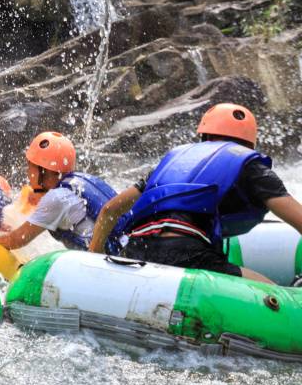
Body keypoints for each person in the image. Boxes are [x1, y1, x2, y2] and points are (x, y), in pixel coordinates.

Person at [89, 103, 302, 283]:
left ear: (204, 135)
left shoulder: (174, 161)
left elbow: (110, 209)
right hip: (187, 253)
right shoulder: (251, 167)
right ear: (249, 144)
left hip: (137, 248)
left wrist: (94, 258)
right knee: (271, 290)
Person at [0, 132, 117, 252]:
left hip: (109, 259)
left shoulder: (56, 199)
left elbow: (18, 239)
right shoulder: (77, 184)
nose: (28, 173)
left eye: (30, 167)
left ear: (42, 171)